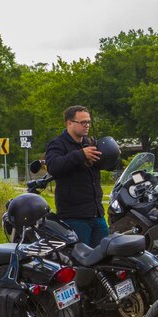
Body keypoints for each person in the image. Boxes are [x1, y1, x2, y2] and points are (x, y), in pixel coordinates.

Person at [45, 105, 107, 247]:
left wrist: (112, 156)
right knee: (81, 263)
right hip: (75, 217)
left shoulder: (89, 143)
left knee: (104, 258)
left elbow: (105, 166)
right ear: (69, 123)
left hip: (97, 214)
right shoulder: (58, 144)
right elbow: (53, 166)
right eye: (83, 122)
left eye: (88, 122)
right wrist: (80, 155)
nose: (87, 126)